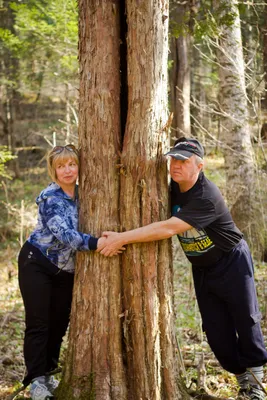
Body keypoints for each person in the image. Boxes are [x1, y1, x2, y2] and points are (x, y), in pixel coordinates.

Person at [97, 137, 267, 400]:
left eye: (183, 160)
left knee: (246, 319)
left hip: (232, 261)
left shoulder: (205, 196)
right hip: (202, 268)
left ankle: (255, 383)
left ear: (200, 165)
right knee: (216, 330)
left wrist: (121, 237)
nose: (176, 165)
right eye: (173, 159)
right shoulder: (168, 189)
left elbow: (167, 228)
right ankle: (241, 377)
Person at [18, 144, 122, 400]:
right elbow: (65, 235)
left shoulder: (84, 193)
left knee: (59, 323)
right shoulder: (50, 198)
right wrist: (101, 243)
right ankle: (36, 381)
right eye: (61, 166)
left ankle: (49, 373)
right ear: (53, 170)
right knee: (39, 323)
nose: (67, 170)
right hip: (37, 263)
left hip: (66, 271)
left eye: (72, 164)